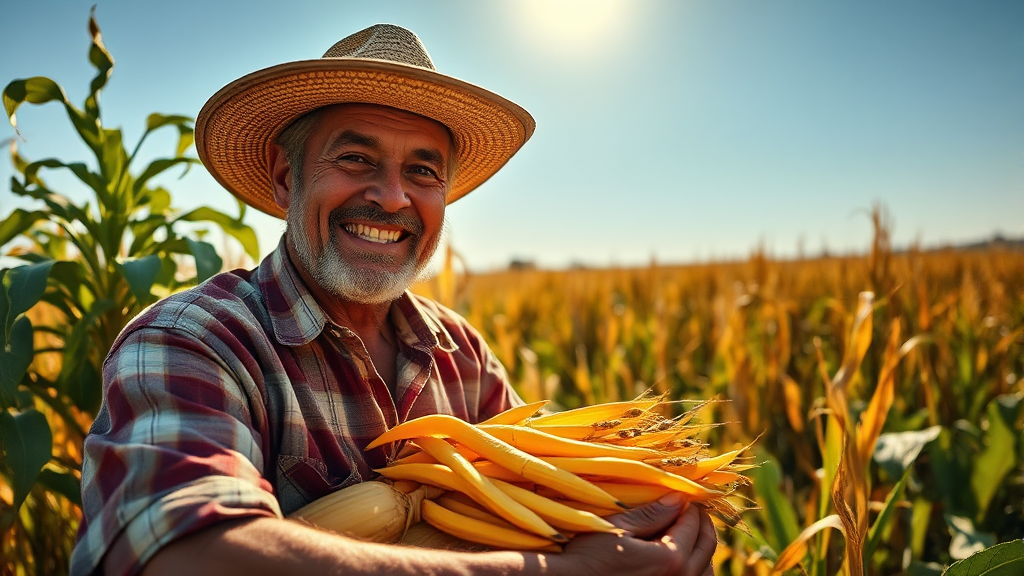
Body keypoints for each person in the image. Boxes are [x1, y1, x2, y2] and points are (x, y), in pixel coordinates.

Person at [70, 24, 717, 576]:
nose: (391, 196)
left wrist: (661, 529)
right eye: (356, 158)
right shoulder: (194, 339)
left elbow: (548, 505)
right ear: (285, 177)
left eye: (423, 171)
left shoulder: (463, 356)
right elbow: (179, 552)